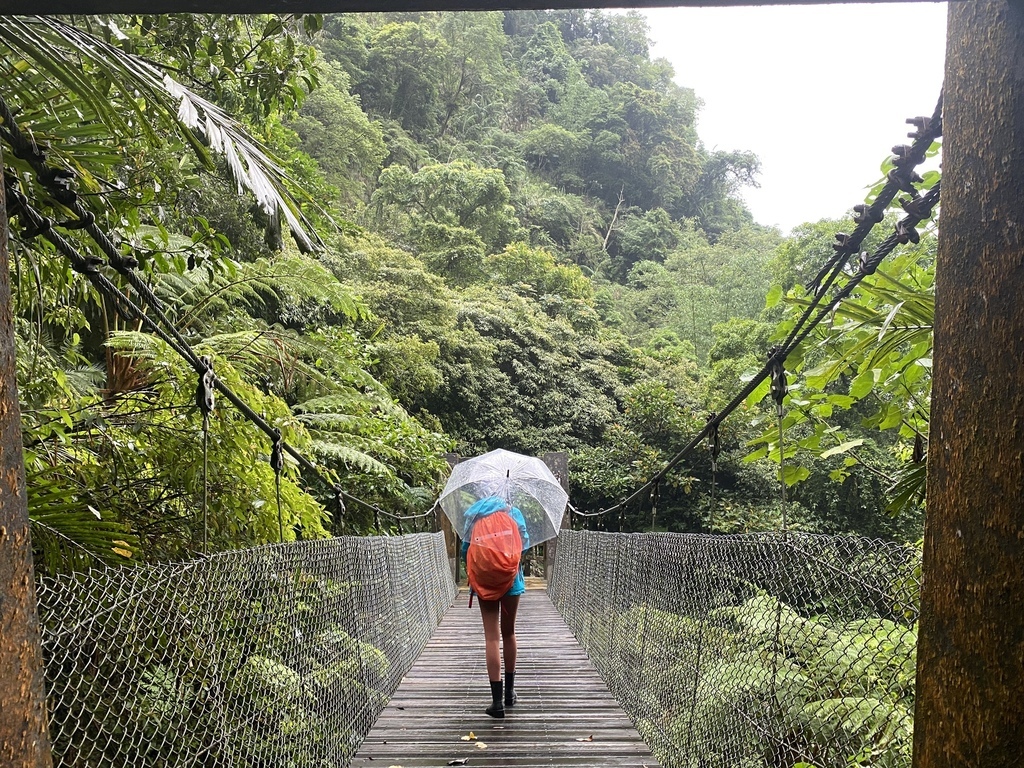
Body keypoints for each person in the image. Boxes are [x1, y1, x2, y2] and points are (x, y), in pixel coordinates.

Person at [461, 495, 530, 718]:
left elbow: (465, 550)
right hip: (512, 580)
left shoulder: (474, 516)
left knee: (492, 637)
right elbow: (524, 546)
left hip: (484, 582)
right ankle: (510, 693)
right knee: (509, 632)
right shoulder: (514, 513)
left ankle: (496, 702)